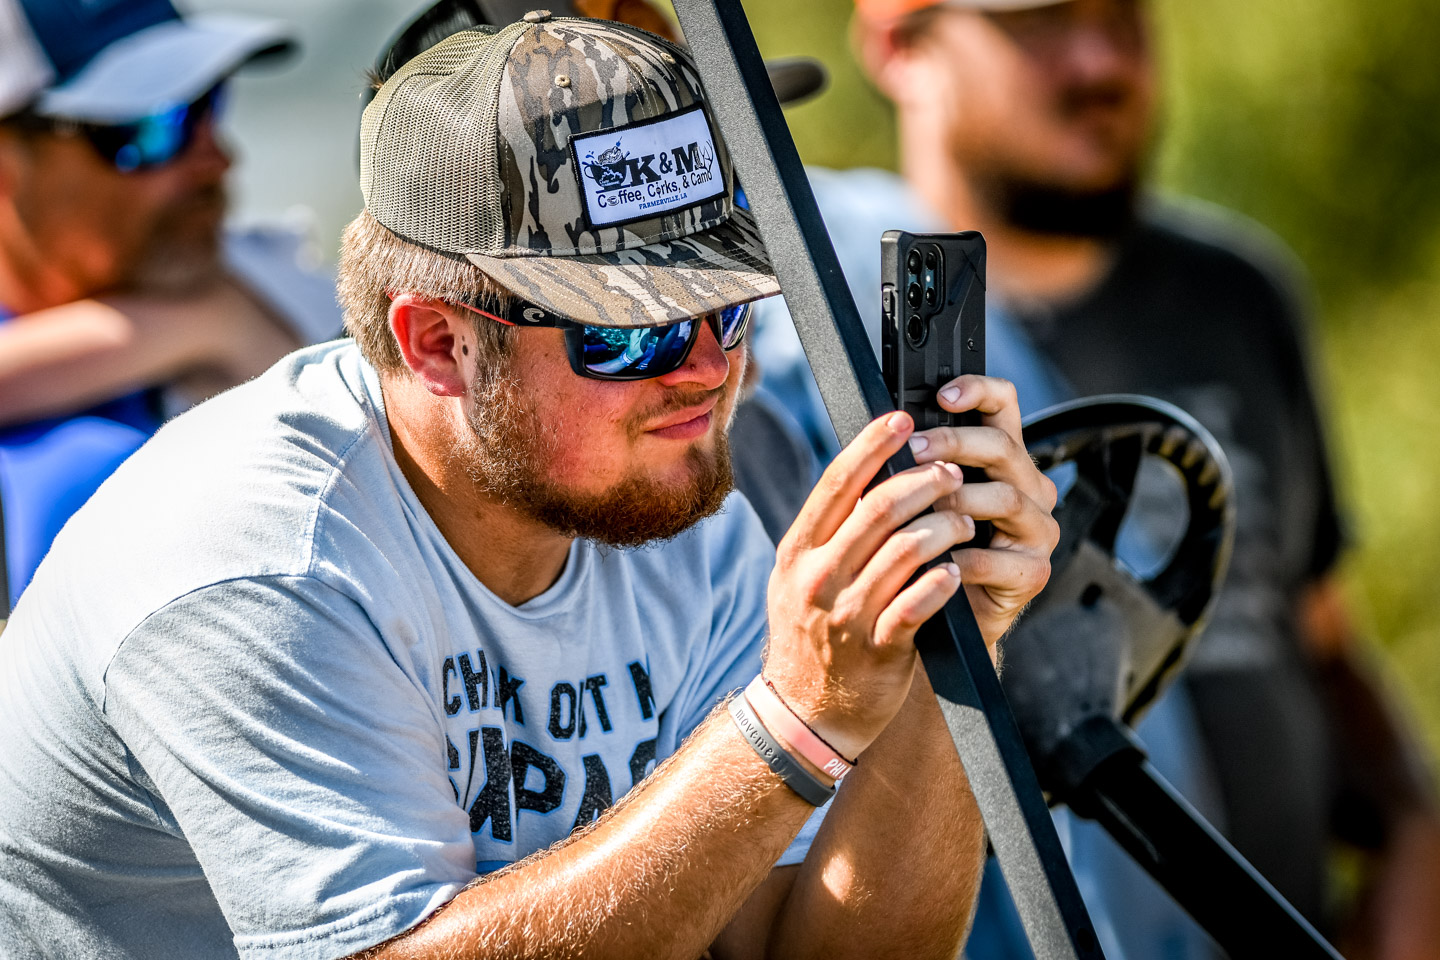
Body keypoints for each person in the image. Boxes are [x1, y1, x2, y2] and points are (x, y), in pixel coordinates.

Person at [0, 17, 1060, 959]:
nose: (706, 370)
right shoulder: (258, 561)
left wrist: (953, 641)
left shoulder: (673, 508)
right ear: (439, 343)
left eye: (728, 308)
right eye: (628, 333)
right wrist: (790, 725)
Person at [746, 0, 1440, 956]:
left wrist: (1412, 827)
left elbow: (1322, 639)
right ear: (899, 44)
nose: (1098, 61)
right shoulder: (797, 348)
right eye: (1042, 22)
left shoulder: (1236, 298)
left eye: (1124, 18)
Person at [0, 0, 339, 612]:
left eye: (210, 103)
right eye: (153, 126)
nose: (217, 159)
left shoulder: (280, 277)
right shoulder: (222, 295)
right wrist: (197, 326)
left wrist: (231, 331)